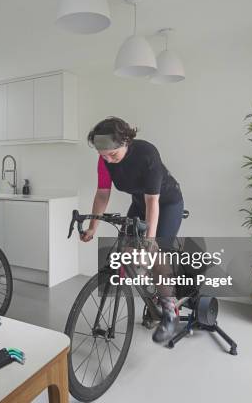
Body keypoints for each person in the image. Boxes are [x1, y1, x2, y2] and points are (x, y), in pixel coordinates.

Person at [81, 117, 184, 343]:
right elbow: (102, 194)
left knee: (156, 254)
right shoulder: (104, 159)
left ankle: (169, 312)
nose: (108, 160)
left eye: (113, 155)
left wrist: (149, 241)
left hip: (166, 204)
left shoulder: (147, 154)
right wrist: (92, 227)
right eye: (103, 155)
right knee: (126, 249)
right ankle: (146, 289)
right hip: (139, 203)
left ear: (126, 142)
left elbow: (152, 203)